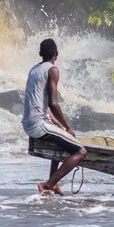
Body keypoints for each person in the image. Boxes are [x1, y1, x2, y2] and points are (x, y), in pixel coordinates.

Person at [21, 38, 87, 196]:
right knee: (81, 151)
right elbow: (53, 103)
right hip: (38, 125)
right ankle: (48, 185)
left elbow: (42, 103)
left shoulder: (34, 69)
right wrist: (68, 127)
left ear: (40, 54)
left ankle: (54, 182)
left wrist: (59, 125)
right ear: (56, 54)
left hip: (28, 123)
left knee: (59, 137)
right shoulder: (52, 70)